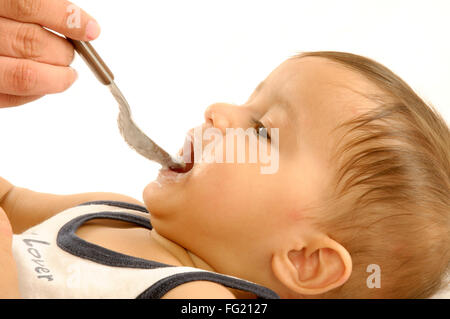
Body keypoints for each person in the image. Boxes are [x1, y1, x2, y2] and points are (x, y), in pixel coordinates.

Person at [1, 1, 449, 299]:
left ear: (304, 259)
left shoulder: (200, 298)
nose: (218, 111)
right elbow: (8, 200)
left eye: (262, 131)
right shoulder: (110, 212)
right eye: (246, 101)